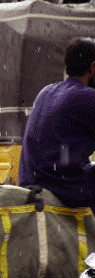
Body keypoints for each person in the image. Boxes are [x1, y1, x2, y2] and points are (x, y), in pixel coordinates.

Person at [19, 38, 95, 211]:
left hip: (32, 180)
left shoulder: (46, 91)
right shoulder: (86, 97)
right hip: (61, 187)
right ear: (93, 68)